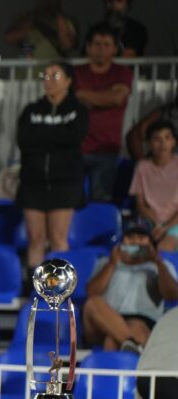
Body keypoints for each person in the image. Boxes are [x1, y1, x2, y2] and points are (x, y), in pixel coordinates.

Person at [17, 61, 89, 267]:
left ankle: (59, 289)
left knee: (58, 239)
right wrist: (56, 136)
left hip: (65, 183)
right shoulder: (31, 110)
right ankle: (34, 289)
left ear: (68, 81)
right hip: (33, 182)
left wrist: (42, 136)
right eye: (45, 75)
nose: (49, 80)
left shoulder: (77, 110)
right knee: (36, 239)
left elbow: (74, 138)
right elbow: (24, 141)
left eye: (55, 75)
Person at [83, 224, 178, 352]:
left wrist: (158, 263)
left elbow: (172, 295)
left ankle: (129, 344)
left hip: (142, 321)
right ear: (122, 241)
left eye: (141, 237)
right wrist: (112, 264)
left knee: (112, 339)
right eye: (130, 237)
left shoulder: (161, 266)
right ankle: (134, 345)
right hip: (105, 320)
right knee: (92, 303)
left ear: (151, 242)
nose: (135, 241)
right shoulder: (106, 262)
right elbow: (91, 292)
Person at [75, 23, 134, 203]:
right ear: (88, 47)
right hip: (75, 149)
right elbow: (69, 99)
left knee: (100, 202)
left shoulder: (122, 72)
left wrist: (83, 95)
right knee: (70, 202)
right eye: (97, 44)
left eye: (106, 44)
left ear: (115, 49)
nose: (101, 49)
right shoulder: (75, 72)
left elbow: (117, 99)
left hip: (106, 150)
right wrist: (105, 97)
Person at [130, 121, 178, 252]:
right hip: (149, 222)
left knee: (164, 248)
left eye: (167, 138)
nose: (162, 143)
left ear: (174, 141)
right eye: (157, 138)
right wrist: (157, 224)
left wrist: (166, 227)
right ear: (149, 144)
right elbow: (140, 204)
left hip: (174, 223)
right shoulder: (142, 167)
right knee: (133, 249)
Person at [5, 0, 78, 60]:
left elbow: (68, 45)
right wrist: (29, 23)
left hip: (51, 73)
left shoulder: (65, 22)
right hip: (27, 73)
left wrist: (58, 14)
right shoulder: (27, 20)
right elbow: (10, 38)